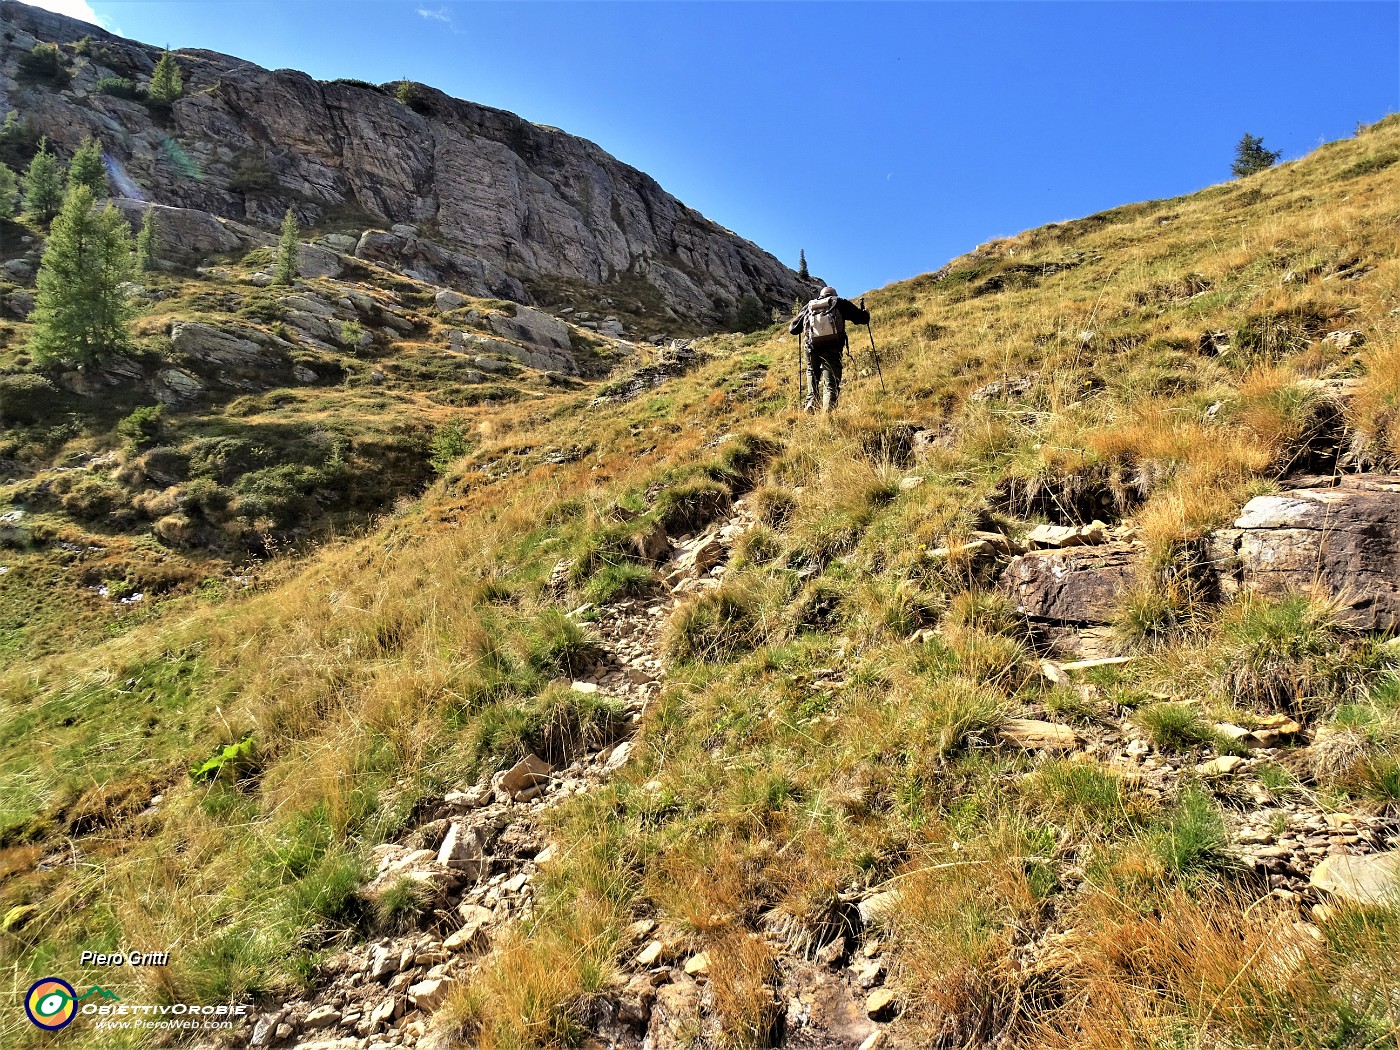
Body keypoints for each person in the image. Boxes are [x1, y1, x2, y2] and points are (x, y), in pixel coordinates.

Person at [789, 286, 869, 413]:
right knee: (831, 382)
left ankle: (811, 402)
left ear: (820, 295)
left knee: (812, 372)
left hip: (811, 347)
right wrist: (865, 312)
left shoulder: (810, 306)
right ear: (834, 294)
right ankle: (828, 413)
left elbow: (793, 329)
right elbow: (862, 319)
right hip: (832, 347)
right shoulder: (839, 302)